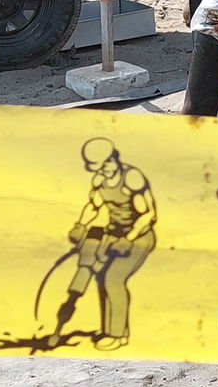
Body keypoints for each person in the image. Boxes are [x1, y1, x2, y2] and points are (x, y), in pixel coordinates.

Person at [49, 138, 156, 351]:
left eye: (105, 166)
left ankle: (118, 335)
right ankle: (110, 328)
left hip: (139, 237)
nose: (103, 171)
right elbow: (94, 206)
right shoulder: (100, 181)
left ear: (111, 160)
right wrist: (80, 225)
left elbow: (148, 213)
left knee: (113, 279)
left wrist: (130, 237)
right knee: (100, 277)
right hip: (114, 235)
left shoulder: (131, 178)